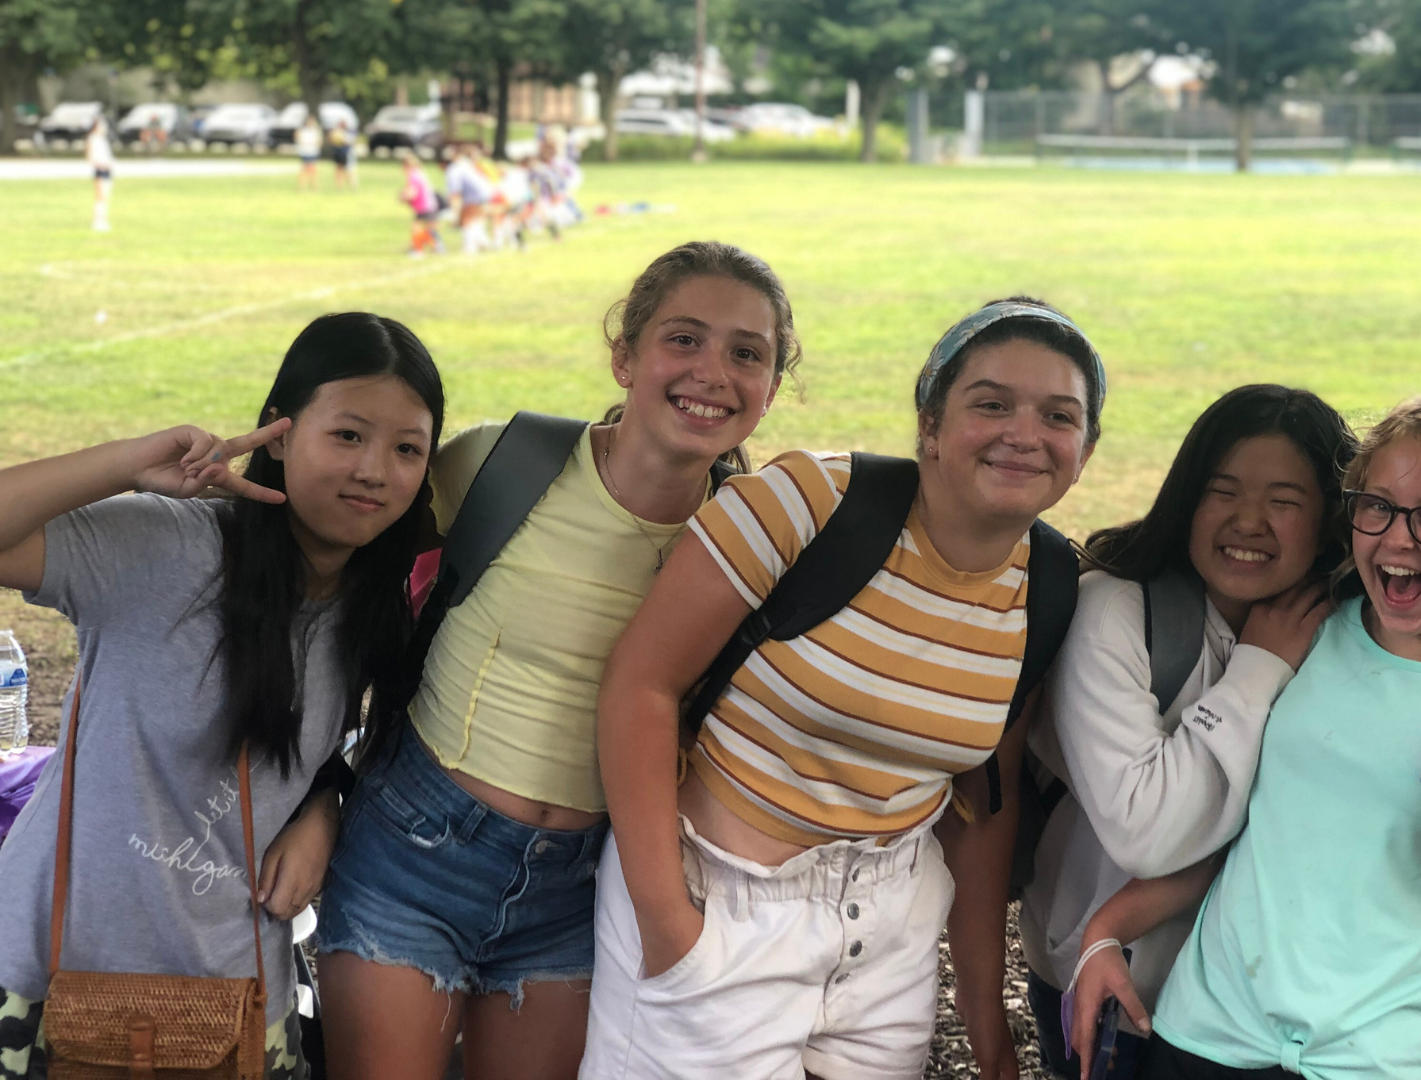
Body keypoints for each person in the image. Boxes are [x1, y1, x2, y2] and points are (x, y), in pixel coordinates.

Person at [583, 297, 1104, 1080]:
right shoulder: (808, 505)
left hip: (889, 931)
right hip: (722, 905)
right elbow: (641, 687)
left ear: (1085, 448)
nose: (1024, 434)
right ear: (929, 424)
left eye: (1058, 416)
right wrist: (666, 922)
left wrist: (983, 1013)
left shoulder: (1051, 586)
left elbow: (981, 811)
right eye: (990, 404)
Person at [314, 242, 800, 1080]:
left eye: (746, 353)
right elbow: (329, 601)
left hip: (582, 891)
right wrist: (319, 790)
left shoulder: (754, 542)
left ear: (771, 388)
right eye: (683, 339)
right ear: (625, 353)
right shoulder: (499, 464)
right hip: (412, 851)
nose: (712, 371)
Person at [1070, 396, 1421, 1080]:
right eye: (1377, 507)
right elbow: (1244, 834)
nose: (1398, 539)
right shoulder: (1302, 635)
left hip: (1379, 1060)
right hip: (1206, 1038)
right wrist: (1103, 932)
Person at [0, 312, 445, 1080]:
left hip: (234, 995)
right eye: (347, 435)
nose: (376, 469)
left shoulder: (377, 604)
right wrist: (130, 463)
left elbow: (338, 742)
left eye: (407, 449)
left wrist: (325, 805)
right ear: (278, 433)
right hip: (58, 968)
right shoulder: (171, 548)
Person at [1020, 384, 1357, 1079]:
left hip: (1263, 1003)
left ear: (1330, 521)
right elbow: (1149, 835)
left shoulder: (1349, 636)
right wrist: (1258, 670)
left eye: (1285, 501)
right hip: (1118, 988)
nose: (1248, 521)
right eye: (1222, 490)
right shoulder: (1116, 613)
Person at [398, 150, 442, 257]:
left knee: (417, 228)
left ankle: (418, 250)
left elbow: (413, 193)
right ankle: (435, 247)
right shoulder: (420, 173)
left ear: (406, 165)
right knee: (427, 229)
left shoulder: (413, 175)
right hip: (430, 205)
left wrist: (402, 197)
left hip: (424, 206)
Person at [84, 116, 112, 232]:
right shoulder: (92, 139)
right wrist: (99, 164)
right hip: (99, 169)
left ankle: (103, 220)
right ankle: (97, 221)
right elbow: (90, 156)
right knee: (100, 197)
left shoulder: (102, 139)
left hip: (107, 170)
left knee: (105, 196)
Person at [296, 115, 323, 191]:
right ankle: (302, 186)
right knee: (305, 169)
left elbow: (319, 142)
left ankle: (313, 186)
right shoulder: (303, 130)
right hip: (305, 152)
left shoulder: (316, 131)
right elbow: (298, 138)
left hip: (313, 152)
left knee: (313, 170)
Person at [328, 119, 357, 191]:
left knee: (349, 169)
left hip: (346, 153)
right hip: (338, 153)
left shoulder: (349, 132)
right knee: (338, 169)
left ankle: (352, 185)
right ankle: (339, 185)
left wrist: (342, 140)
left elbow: (350, 142)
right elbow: (332, 141)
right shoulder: (335, 132)